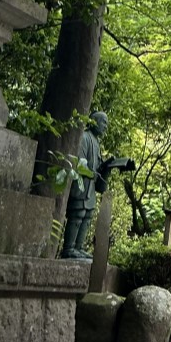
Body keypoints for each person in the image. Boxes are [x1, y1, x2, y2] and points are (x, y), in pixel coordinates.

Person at [61, 111, 114, 259]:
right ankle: (69, 247)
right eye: (103, 122)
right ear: (94, 122)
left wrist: (107, 166)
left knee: (87, 216)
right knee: (78, 214)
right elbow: (80, 162)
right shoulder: (84, 138)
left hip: (90, 188)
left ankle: (79, 247)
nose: (105, 126)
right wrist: (92, 172)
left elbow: (96, 166)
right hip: (81, 185)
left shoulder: (96, 142)